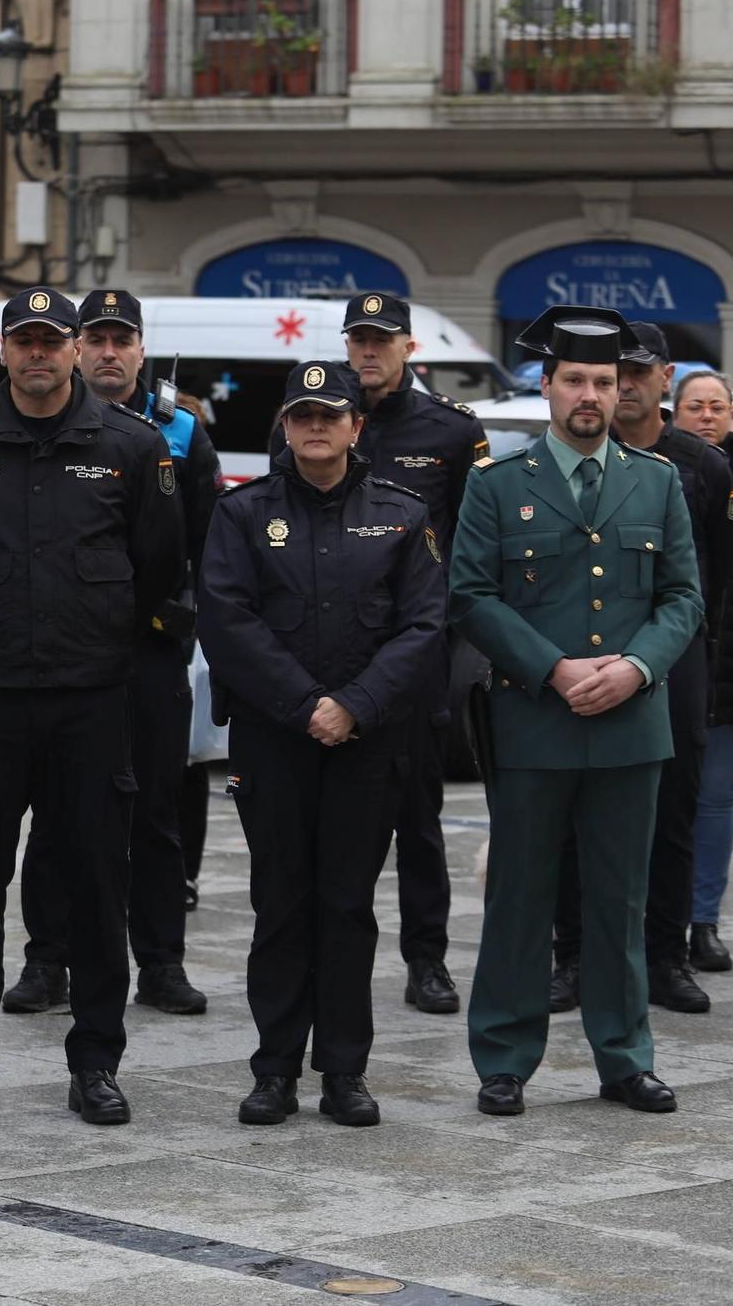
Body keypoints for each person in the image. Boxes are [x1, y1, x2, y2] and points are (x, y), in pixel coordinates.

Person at [0, 287, 183, 1127]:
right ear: (7, 350)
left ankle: (96, 1060)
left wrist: (94, 636)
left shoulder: (132, 447)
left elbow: (158, 567)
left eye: (50, 341)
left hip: (91, 701)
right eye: (23, 340)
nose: (37, 355)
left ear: (71, 350)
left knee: (98, 886)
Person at [450, 305, 702, 1118]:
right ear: (548, 388)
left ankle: (625, 1058)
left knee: (619, 900)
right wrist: (552, 668)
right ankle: (505, 1056)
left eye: (606, 381)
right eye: (576, 380)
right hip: (535, 720)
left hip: (632, 725)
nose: (591, 395)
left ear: (625, 388)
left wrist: (634, 667)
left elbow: (684, 598)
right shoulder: (497, 484)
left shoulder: (657, 481)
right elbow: (470, 596)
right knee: (520, 896)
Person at [199, 361, 446, 1127]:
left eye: (329, 414)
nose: (315, 426)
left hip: (367, 743)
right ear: (285, 424)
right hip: (275, 739)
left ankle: (344, 1069)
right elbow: (225, 618)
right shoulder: (243, 514)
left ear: (355, 426)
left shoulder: (403, 514)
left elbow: (425, 625)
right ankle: (274, 1068)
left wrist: (355, 706)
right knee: (281, 905)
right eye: (302, 414)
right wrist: (308, 705)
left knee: (346, 907)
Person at [267, 293, 487, 1016]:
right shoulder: (310, 419)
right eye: (358, 339)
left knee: (419, 820)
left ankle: (426, 958)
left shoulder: (451, 431)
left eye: (381, 340)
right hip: (321, 660)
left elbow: (469, 542)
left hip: (413, 663)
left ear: (408, 347)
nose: (368, 352)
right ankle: (313, 955)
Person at [5, 290, 218, 1018]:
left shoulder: (181, 429)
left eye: (119, 338)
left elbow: (202, 544)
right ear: (74, 347)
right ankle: (46, 959)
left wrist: (175, 626)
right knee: (55, 812)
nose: (107, 351)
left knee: (155, 809)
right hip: (63, 652)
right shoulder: (26, 423)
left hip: (150, 649)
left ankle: (161, 960)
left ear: (139, 347)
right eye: (94, 338)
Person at [549, 324, 733, 1017]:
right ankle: (572, 955)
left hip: (676, 656)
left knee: (676, 811)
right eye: (609, 371)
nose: (622, 383)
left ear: (666, 377)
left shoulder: (704, 466)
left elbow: (714, 578)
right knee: (573, 811)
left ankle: (665, 955)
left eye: (635, 370)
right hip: (588, 653)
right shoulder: (582, 456)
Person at [685, 370, 733, 976]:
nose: (707, 415)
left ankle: (703, 922)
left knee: (716, 799)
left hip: (730, 670)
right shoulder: (659, 470)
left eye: (717, 406)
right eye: (696, 406)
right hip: (672, 664)